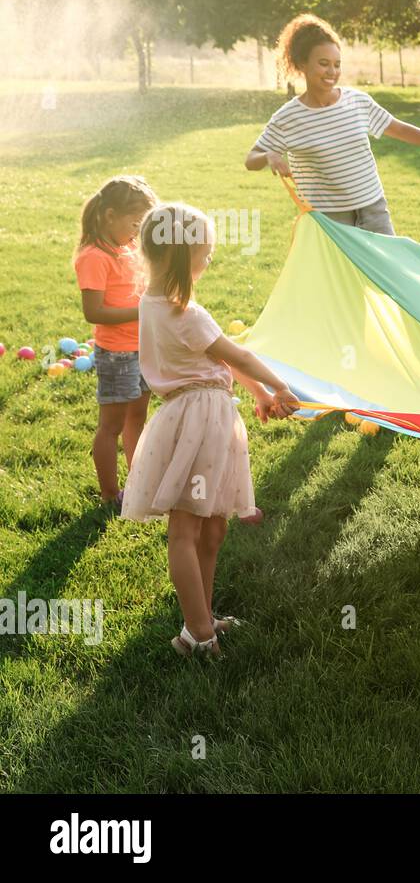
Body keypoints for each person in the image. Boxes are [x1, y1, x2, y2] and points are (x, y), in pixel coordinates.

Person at [122, 203, 299, 657]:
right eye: (206, 251)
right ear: (184, 256)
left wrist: (258, 394)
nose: (210, 259)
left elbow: (215, 361)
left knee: (212, 527)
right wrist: (280, 385)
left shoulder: (155, 302)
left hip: (202, 418)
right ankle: (199, 634)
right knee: (186, 528)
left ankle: (198, 618)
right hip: (199, 421)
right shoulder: (185, 313)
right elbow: (234, 355)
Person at [244, 13, 420, 235]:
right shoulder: (288, 118)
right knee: (338, 278)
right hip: (328, 220)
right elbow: (251, 159)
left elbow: (400, 129)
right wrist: (269, 156)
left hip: (373, 209)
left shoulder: (357, 101)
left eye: (337, 64)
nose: (332, 71)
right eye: (323, 63)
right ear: (302, 64)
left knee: (389, 273)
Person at [73, 175, 159, 513]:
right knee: (111, 426)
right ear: (110, 215)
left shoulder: (127, 248)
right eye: (135, 222)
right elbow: (93, 312)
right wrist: (140, 310)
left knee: (137, 416)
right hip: (117, 354)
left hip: (142, 348)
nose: (139, 230)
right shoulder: (94, 256)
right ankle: (110, 494)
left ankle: (137, 480)